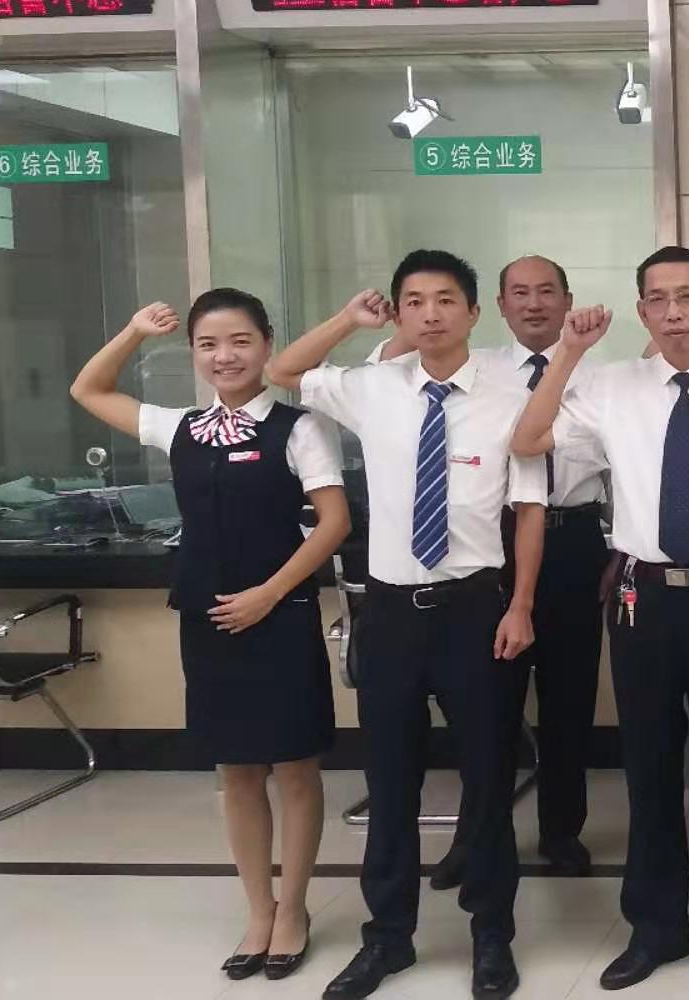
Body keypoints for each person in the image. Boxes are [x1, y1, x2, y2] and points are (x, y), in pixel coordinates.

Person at [511, 245, 689, 995]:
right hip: (644, 600)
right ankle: (656, 928)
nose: (674, 313)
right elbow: (528, 440)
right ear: (642, 311)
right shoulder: (610, 386)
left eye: (687, 297)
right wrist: (570, 352)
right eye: (658, 300)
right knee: (650, 768)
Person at [268, 250, 545, 1000]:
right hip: (390, 611)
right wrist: (348, 321)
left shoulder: (511, 396)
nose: (430, 313)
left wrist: (521, 604)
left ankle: (492, 934)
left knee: (488, 777)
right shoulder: (373, 387)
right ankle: (388, 937)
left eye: (446, 299)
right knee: (390, 782)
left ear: (474, 313)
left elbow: (529, 509)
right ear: (399, 311)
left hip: (475, 609)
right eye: (414, 300)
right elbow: (283, 370)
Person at [70, 291, 349, 983]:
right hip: (209, 619)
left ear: (266, 344)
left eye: (241, 341)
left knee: (295, 767)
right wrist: (134, 331)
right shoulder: (180, 427)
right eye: (208, 344)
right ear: (194, 352)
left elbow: (335, 523)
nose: (225, 356)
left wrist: (269, 594)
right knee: (237, 770)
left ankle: (294, 909)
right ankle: (259, 909)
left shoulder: (299, 428)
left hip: (280, 614)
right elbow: (89, 389)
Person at [370, 255, 611, 887]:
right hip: (490, 546)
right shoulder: (475, 369)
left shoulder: (601, 373)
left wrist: (619, 551)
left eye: (547, 292)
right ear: (497, 307)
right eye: (520, 293)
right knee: (489, 707)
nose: (534, 304)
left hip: (576, 540)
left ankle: (561, 830)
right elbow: (382, 373)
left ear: (567, 300)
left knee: (569, 697)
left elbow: (630, 466)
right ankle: (477, 839)